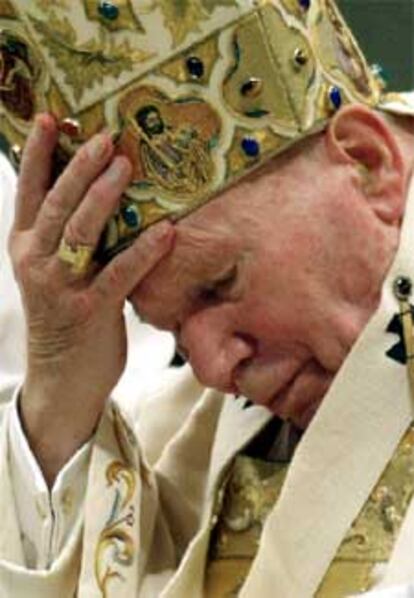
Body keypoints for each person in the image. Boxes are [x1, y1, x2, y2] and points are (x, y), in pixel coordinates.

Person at [0, 0, 414, 597]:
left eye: (220, 283)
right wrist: (59, 394)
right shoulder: (184, 434)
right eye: (171, 331)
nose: (215, 370)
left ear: (369, 165)